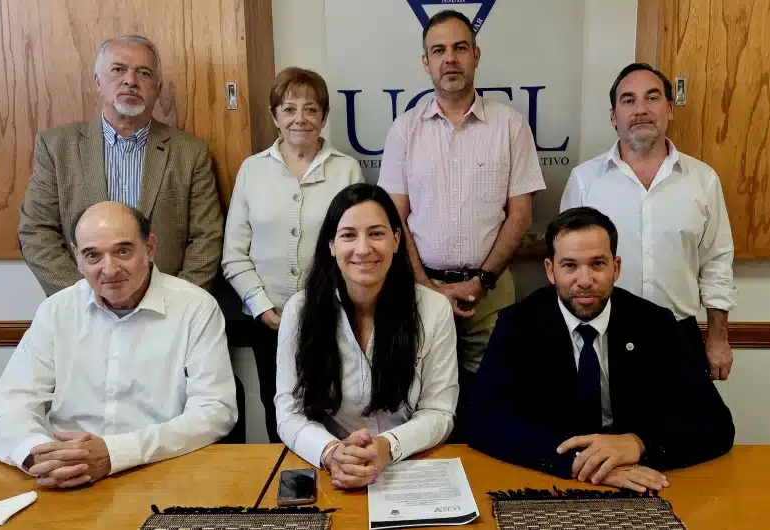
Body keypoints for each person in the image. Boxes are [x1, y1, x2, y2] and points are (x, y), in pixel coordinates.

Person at [467, 207, 735, 492]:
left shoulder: (654, 323)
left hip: (639, 479)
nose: (584, 280)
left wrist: (639, 443)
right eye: (570, 265)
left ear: (616, 268)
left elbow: (714, 422)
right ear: (551, 270)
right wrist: (579, 463)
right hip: (549, 481)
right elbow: (483, 420)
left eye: (597, 264)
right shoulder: (518, 324)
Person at [0, 202, 237, 488]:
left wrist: (116, 453)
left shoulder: (195, 308)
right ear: (76, 258)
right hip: (65, 479)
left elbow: (215, 411)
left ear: (150, 248)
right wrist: (38, 454)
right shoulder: (57, 310)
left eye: (123, 251)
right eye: (92, 256)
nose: (110, 269)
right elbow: (12, 402)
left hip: (160, 473)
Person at [377, 10, 545, 433]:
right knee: (419, 400)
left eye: (459, 48)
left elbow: (520, 215)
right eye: (438, 51)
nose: (449, 59)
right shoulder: (404, 130)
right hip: (418, 288)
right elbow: (394, 218)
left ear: (476, 55)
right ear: (426, 63)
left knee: (491, 400)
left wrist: (481, 281)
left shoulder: (509, 125)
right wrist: (426, 286)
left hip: (491, 292)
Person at [275, 184, 458, 489]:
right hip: (328, 469)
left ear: (396, 240)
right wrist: (332, 453)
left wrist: (388, 446)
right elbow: (289, 410)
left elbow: (439, 411)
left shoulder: (433, 308)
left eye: (376, 233)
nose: (363, 249)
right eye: (348, 235)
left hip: (409, 463)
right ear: (331, 245)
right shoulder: (300, 310)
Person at [561, 63, 735, 380]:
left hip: (678, 335)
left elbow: (716, 263)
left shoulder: (702, 180)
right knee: (607, 429)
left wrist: (718, 337)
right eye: (628, 100)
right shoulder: (585, 181)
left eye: (652, 98)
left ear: (669, 109)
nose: (640, 109)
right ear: (614, 117)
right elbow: (568, 264)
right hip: (602, 334)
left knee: (681, 429)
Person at [19, 35, 223, 296]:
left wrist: (177, 303)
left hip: (166, 311)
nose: (130, 80)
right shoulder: (57, 147)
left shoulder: (190, 153)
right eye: (118, 70)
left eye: (143, 73)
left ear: (157, 88)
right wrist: (85, 296)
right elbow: (35, 230)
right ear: (97, 82)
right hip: (83, 312)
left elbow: (207, 237)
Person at [223, 67, 363, 443]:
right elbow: (233, 254)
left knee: (335, 405)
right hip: (267, 319)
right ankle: (288, 497)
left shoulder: (346, 169)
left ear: (324, 116)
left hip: (332, 314)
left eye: (311, 109)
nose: (300, 118)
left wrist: (327, 303)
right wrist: (262, 308)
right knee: (279, 410)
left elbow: (356, 248)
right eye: (289, 109)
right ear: (275, 116)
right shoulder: (252, 170)